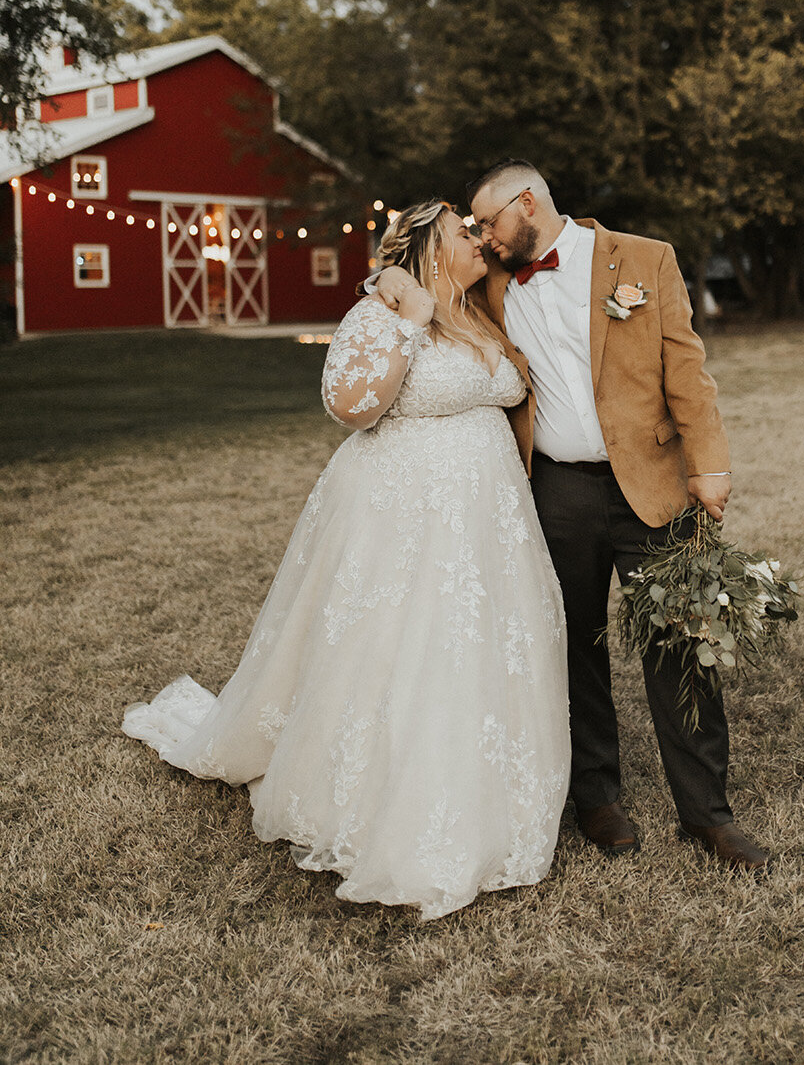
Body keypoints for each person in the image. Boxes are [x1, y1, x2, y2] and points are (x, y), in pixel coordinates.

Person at [121, 201, 571, 921]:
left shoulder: (484, 310)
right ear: (427, 249)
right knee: (406, 657)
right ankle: (399, 809)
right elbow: (352, 405)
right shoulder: (385, 312)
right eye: (464, 232)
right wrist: (409, 319)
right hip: (406, 522)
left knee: (482, 655)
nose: (481, 240)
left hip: (490, 529)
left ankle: (495, 798)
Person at [376, 163, 768, 869]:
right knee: (571, 647)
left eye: (489, 222)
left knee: (679, 645)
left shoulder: (647, 259)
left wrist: (710, 463)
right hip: (556, 491)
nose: (483, 239)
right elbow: (420, 286)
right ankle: (597, 799)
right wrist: (385, 282)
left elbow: (688, 370)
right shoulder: (490, 284)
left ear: (528, 203)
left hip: (652, 483)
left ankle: (707, 814)